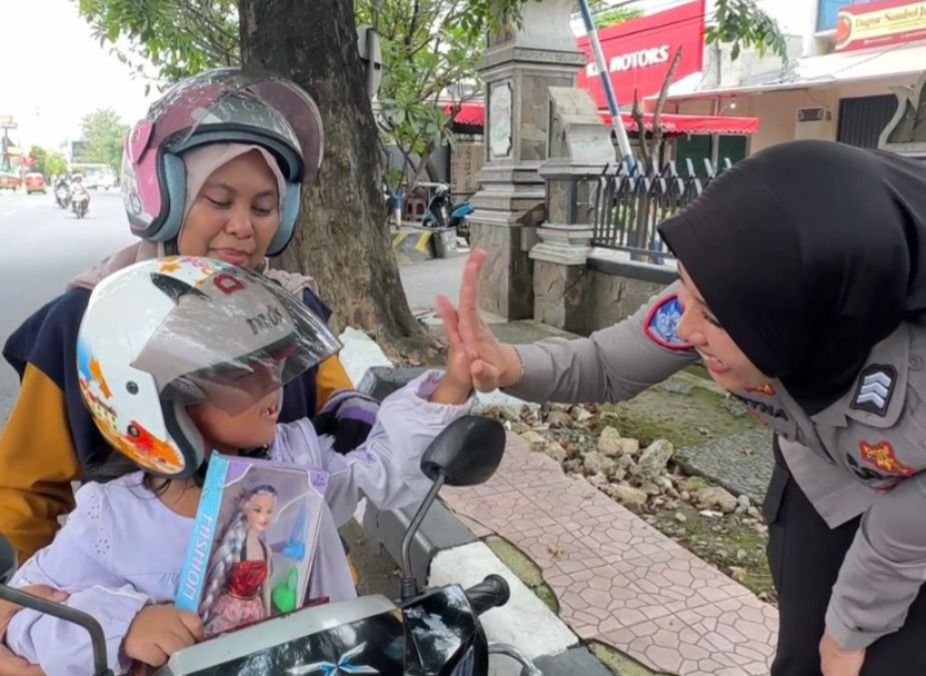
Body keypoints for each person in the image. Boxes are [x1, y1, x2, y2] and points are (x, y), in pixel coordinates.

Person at [440, 140, 926, 676]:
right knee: (802, 656)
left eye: (712, 315)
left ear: (807, 318)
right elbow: (607, 363)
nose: (688, 329)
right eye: (687, 294)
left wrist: (851, 628)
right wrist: (510, 364)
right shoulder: (731, 291)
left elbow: (907, 525)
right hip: (822, 475)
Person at [3, 256, 473, 674]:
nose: (275, 385)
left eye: (275, 363)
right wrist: (122, 626)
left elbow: (383, 466)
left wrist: (454, 381)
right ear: (154, 398)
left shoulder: (298, 462)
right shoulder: (110, 517)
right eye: (245, 371)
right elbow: (25, 614)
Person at [0, 69, 372, 570]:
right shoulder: (81, 325)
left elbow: (340, 408)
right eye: (219, 201)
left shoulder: (291, 310)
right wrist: (43, 599)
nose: (242, 226)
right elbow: (22, 495)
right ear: (166, 198)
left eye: (264, 207)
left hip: (287, 581)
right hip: (141, 597)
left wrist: (360, 410)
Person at [200, 485, 277, 638]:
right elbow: (220, 577)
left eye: (269, 512)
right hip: (231, 608)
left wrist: (268, 616)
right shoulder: (235, 545)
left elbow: (266, 585)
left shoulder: (266, 550)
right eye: (258, 510)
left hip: (254, 610)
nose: (264, 517)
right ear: (246, 509)